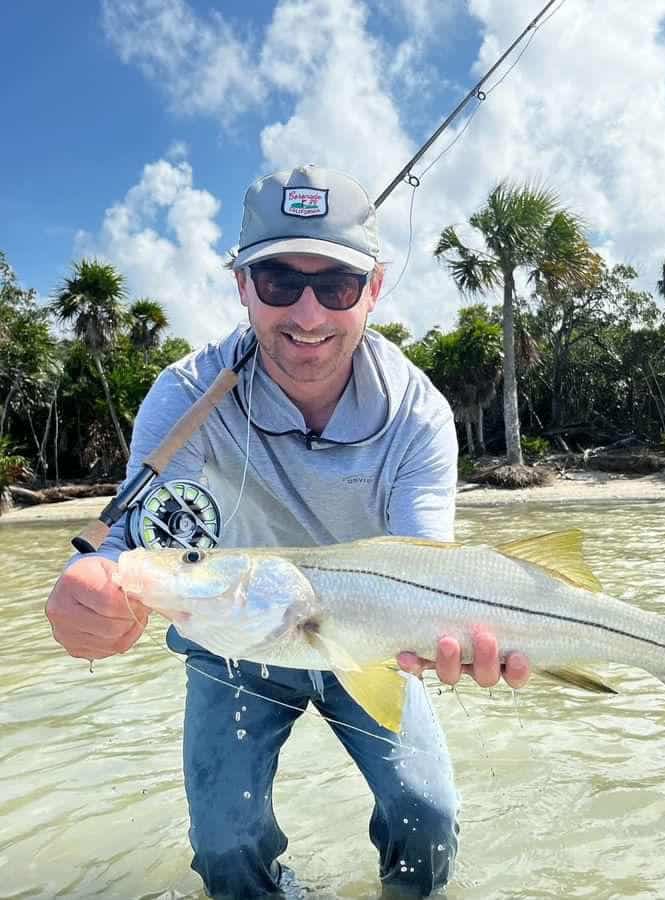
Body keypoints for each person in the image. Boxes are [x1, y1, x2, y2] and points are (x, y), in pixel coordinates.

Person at [45, 164, 530, 898]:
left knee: (426, 818)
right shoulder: (183, 395)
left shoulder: (417, 412)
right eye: (278, 281)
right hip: (229, 642)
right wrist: (86, 592)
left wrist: (464, 640)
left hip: (366, 639)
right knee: (225, 849)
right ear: (241, 284)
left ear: (373, 288)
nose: (307, 314)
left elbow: (428, 568)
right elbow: (130, 539)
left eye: (334, 285)